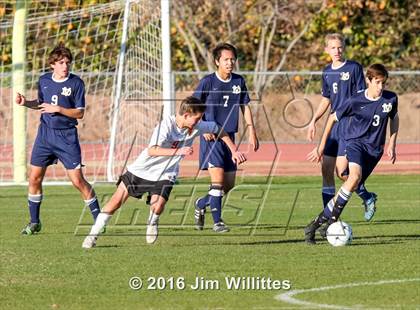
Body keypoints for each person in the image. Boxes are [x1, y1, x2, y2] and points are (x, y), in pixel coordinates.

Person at [82, 96, 246, 248]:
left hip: (166, 173)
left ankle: (152, 222)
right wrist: (180, 151)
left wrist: (234, 151)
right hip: (142, 169)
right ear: (186, 115)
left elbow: (219, 129)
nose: (199, 122)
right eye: (196, 118)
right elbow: (152, 150)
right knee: (115, 202)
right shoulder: (165, 126)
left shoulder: (196, 126)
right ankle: (93, 235)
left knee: (158, 206)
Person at [304, 63, 399, 244]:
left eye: (383, 83)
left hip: (374, 150)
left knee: (348, 180)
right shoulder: (356, 100)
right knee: (352, 177)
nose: (380, 87)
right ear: (368, 80)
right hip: (355, 143)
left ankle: (314, 225)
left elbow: (395, 118)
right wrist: (321, 146)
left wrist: (392, 143)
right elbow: (332, 117)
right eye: (377, 82)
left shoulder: (391, 99)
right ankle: (332, 221)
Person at [15, 44, 101, 235]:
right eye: (61, 63)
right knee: (34, 178)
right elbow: (40, 104)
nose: (65, 66)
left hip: (66, 137)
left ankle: (99, 220)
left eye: (67, 63)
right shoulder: (44, 80)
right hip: (44, 135)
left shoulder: (76, 83)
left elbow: (80, 113)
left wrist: (59, 109)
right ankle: (34, 222)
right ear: (52, 64)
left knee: (78, 181)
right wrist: (25, 103)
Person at [307, 33, 377, 235]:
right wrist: (314, 120)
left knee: (343, 173)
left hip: (350, 125)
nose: (337, 51)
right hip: (333, 125)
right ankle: (329, 217)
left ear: (343, 48)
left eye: (339, 47)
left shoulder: (354, 68)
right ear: (326, 50)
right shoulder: (327, 71)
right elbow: (326, 99)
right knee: (326, 171)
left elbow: (361, 97)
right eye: (333, 47)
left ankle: (366, 196)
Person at [193, 43, 259, 233]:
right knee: (218, 181)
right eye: (226, 60)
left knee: (228, 186)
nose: (230, 63)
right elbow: (193, 107)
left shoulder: (238, 82)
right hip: (211, 138)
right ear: (217, 62)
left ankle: (201, 203)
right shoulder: (207, 82)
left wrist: (251, 130)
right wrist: (202, 126)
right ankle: (217, 222)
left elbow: (245, 106)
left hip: (229, 136)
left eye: (232, 59)